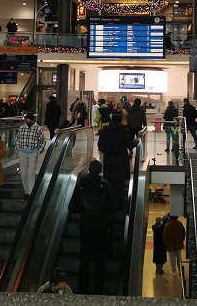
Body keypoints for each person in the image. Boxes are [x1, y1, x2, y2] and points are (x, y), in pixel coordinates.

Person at [68, 159, 118, 295]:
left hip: (85, 227)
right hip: (101, 228)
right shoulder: (105, 185)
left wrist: (83, 210)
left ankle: (82, 290)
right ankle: (98, 292)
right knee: (100, 261)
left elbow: (71, 207)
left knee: (84, 260)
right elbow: (114, 206)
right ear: (100, 171)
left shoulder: (81, 185)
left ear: (89, 169)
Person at [97, 113, 138, 206]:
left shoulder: (105, 130)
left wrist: (106, 151)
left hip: (108, 161)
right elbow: (129, 144)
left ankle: (110, 205)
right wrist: (135, 142)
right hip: (121, 161)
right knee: (119, 185)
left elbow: (100, 145)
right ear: (120, 120)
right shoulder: (123, 130)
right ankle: (118, 207)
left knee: (109, 184)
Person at [17, 113, 46, 201]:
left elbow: (43, 140)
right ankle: (26, 192)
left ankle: (31, 193)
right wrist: (18, 149)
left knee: (31, 173)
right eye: (27, 121)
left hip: (33, 153)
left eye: (30, 121)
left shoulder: (37, 128)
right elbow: (17, 139)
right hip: (22, 152)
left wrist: (38, 151)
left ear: (33, 120)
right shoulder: (22, 128)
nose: (28, 122)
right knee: (23, 173)